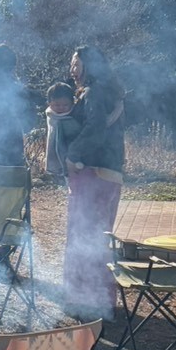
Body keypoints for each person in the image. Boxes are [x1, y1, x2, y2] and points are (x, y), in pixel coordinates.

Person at [62, 45, 125, 320]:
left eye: (76, 64)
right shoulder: (110, 92)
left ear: (89, 65)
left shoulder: (94, 93)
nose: (72, 70)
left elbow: (94, 129)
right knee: (99, 236)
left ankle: (83, 301)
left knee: (83, 235)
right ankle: (101, 300)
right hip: (109, 174)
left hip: (93, 173)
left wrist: (72, 155)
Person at [43, 81, 80, 182]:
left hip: (74, 159)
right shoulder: (51, 116)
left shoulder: (75, 116)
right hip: (57, 157)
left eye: (65, 105)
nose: (61, 108)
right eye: (57, 105)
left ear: (72, 103)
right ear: (49, 103)